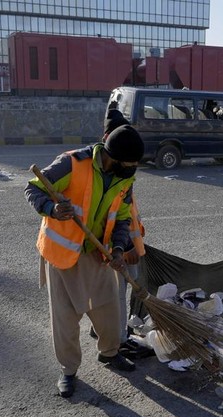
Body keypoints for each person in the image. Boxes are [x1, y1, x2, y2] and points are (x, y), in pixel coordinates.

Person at [25, 122, 145, 398]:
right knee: (66, 317)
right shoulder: (72, 164)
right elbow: (33, 188)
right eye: (128, 164)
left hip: (97, 251)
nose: (132, 170)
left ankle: (109, 353)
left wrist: (117, 248)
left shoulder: (124, 178)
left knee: (107, 307)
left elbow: (123, 217)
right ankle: (68, 370)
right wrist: (52, 209)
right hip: (63, 253)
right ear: (111, 157)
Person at [88, 108, 153, 361]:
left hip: (123, 243)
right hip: (117, 247)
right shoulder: (103, 171)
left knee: (113, 294)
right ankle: (119, 341)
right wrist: (125, 247)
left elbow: (125, 213)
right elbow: (109, 218)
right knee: (115, 295)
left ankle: (104, 331)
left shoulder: (117, 172)